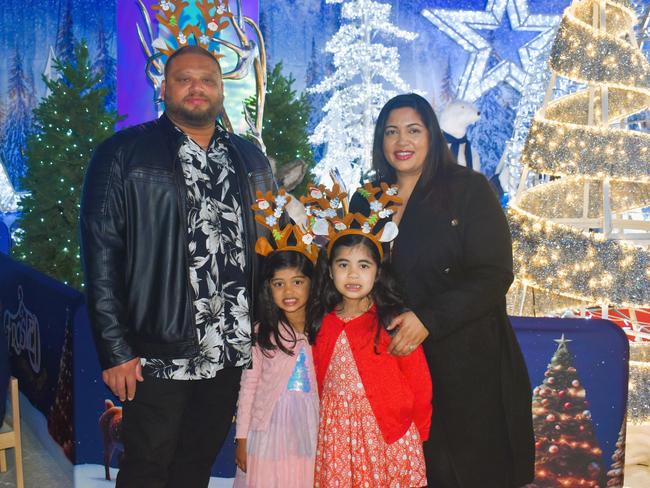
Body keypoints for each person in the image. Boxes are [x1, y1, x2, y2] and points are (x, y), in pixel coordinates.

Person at [80, 45, 275, 487]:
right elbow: (101, 255)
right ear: (164, 87)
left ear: (222, 89)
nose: (196, 88)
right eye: (184, 79)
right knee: (148, 464)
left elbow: (270, 245)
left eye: (207, 79)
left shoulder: (250, 159)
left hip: (230, 345)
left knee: (197, 463)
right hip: (158, 349)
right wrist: (116, 350)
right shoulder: (122, 154)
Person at [350, 92, 535, 487]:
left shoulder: (468, 189)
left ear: (432, 136)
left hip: (466, 361)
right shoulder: (365, 200)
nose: (403, 141)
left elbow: (494, 273)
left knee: (464, 471)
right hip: (393, 364)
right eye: (392, 132)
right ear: (380, 141)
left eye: (414, 130)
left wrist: (428, 320)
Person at [310, 206, 432, 488]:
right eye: (343, 265)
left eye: (363, 266)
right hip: (338, 436)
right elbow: (318, 379)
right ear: (330, 271)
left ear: (377, 272)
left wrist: (420, 431)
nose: (353, 274)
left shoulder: (392, 322)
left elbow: (419, 380)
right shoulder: (322, 324)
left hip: (388, 434)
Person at [233, 249, 319, 488]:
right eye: (279, 283)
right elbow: (248, 387)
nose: (288, 291)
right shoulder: (262, 333)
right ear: (268, 288)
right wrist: (241, 438)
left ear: (312, 284)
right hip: (268, 430)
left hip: (311, 427)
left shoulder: (324, 329)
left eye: (297, 282)